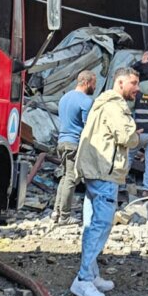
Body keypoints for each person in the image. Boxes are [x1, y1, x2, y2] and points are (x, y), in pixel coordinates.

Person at [71, 67, 141, 296]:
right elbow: (126, 137)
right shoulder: (115, 106)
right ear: (120, 82)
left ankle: (91, 274)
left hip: (95, 170)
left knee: (92, 224)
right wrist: (135, 134)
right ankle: (82, 280)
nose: (137, 88)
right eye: (133, 83)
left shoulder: (101, 102)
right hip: (105, 173)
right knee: (100, 225)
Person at [54, 70, 97, 223]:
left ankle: (56, 213)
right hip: (74, 142)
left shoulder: (64, 98)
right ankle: (65, 216)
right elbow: (88, 127)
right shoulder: (86, 101)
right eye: (94, 83)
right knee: (71, 178)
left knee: (65, 176)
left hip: (62, 141)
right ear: (86, 83)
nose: (95, 87)